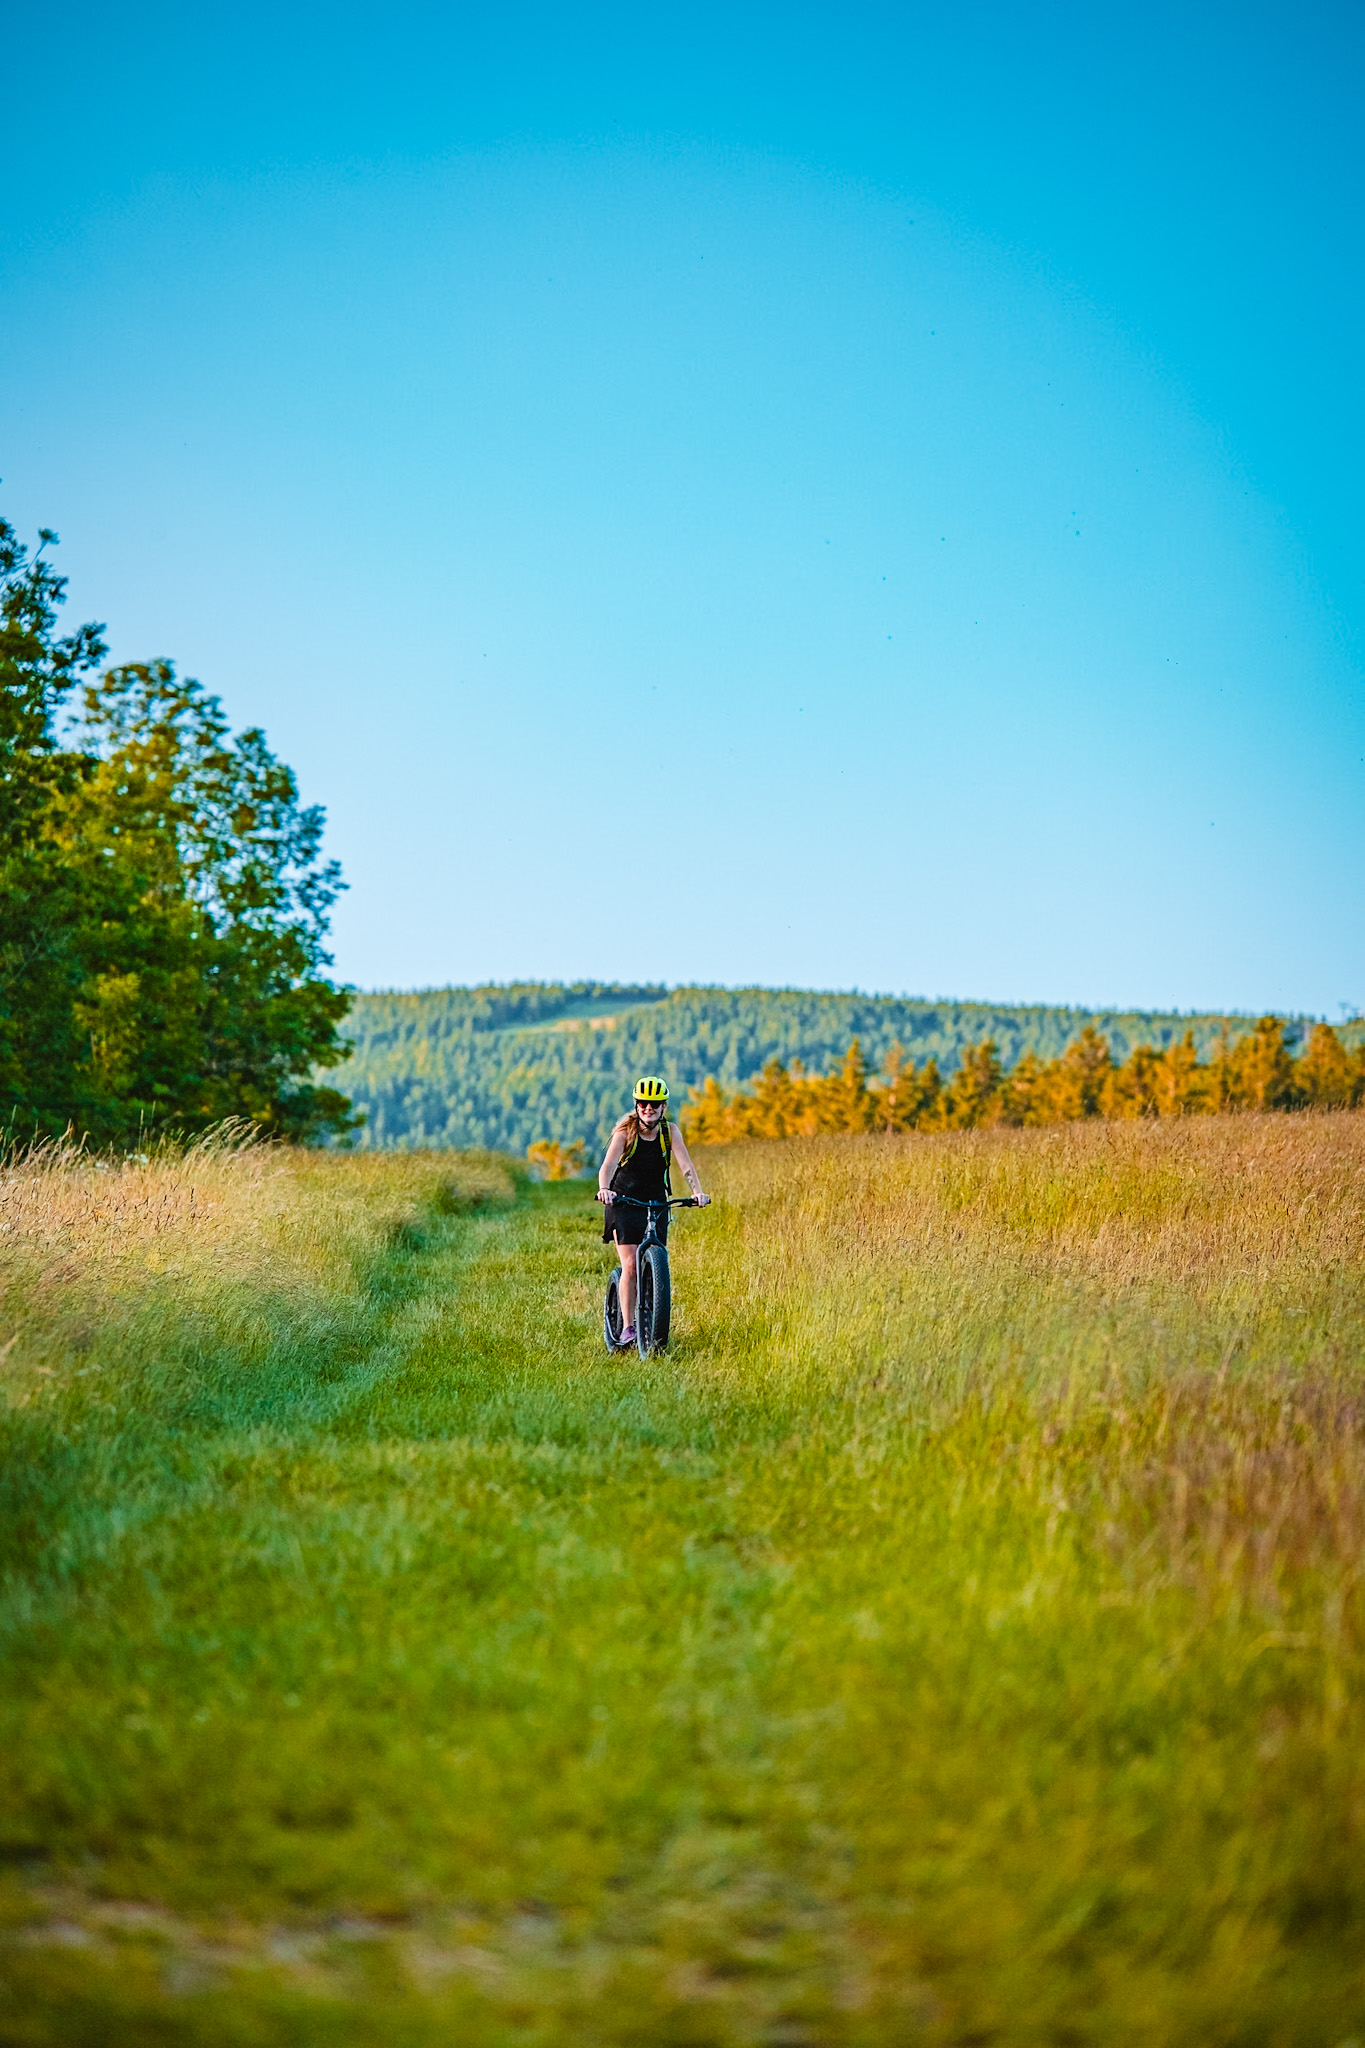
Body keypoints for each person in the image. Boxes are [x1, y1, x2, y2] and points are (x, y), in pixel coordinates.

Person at [597, 1076, 710, 1347]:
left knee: (656, 1259)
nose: (649, 1108)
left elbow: (685, 1165)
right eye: (643, 1103)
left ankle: (653, 1314)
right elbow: (608, 1166)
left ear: (663, 1107)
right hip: (623, 1201)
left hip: (656, 1200)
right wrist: (604, 1189)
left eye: (655, 1104)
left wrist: (697, 1192)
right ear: (636, 1105)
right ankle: (628, 1328)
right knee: (631, 1265)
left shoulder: (670, 1132)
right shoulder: (625, 1133)